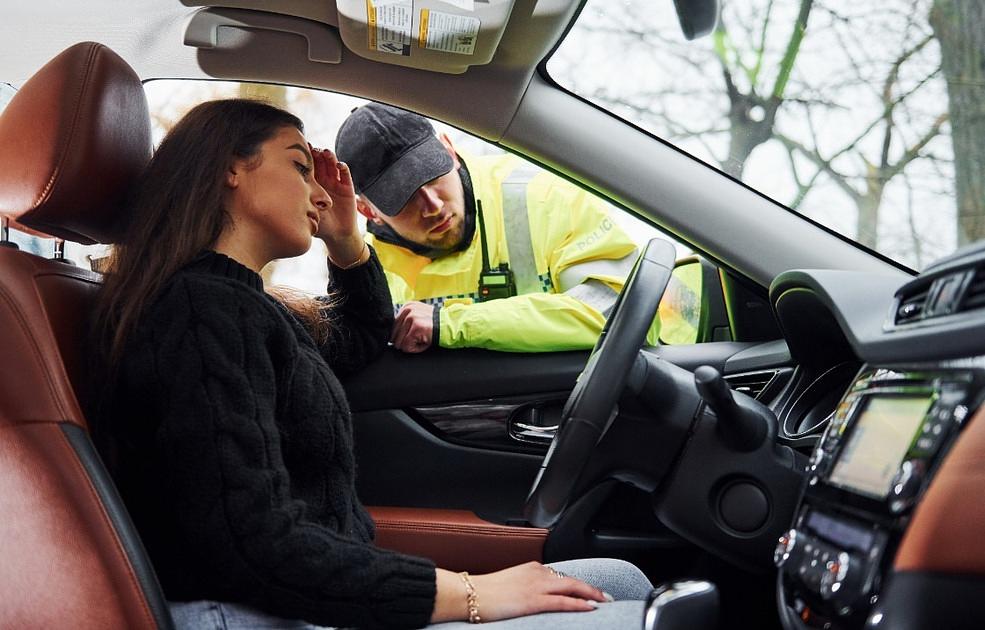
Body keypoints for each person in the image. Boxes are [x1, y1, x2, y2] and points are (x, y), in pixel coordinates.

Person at [89, 98, 653, 629]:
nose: (320, 195)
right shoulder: (200, 312)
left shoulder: (245, 307)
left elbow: (360, 340)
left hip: (303, 593)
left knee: (619, 579)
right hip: (262, 612)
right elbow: (247, 540)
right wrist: (470, 594)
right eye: (300, 167)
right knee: (632, 616)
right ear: (229, 170)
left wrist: (345, 241)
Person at [335, 103, 656, 354]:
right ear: (367, 210)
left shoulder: (543, 197)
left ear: (449, 149)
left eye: (433, 176)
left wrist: (451, 325)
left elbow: (623, 313)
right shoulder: (369, 274)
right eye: (403, 198)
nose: (432, 206)